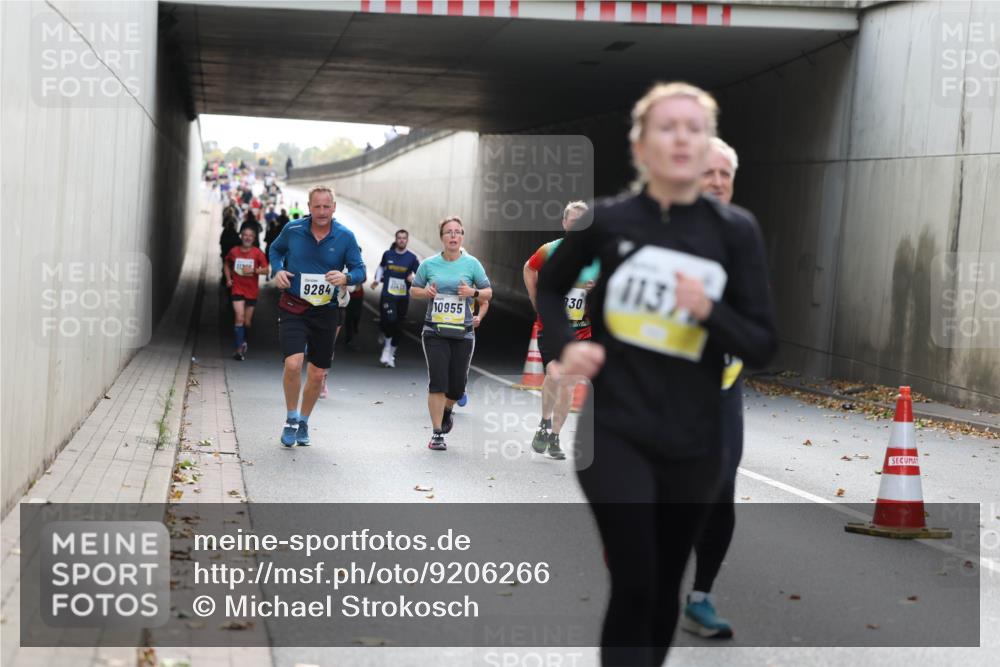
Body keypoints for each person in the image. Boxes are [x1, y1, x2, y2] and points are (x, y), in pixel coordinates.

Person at [535, 82, 777, 665]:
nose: (681, 138)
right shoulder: (609, 221)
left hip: (696, 439)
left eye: (694, 128)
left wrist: (709, 311)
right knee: (636, 576)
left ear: (706, 146)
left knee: (664, 582)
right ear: (641, 147)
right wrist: (567, 345)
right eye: (667, 127)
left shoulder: (734, 232)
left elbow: (764, 343)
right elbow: (550, 283)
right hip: (614, 428)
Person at [679, 136, 745, 639]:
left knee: (720, 494)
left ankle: (700, 596)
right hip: (662, 387)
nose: (718, 182)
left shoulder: (745, 239)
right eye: (709, 173)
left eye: (726, 175)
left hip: (722, 386)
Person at [268, 185, 365, 447]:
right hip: (293, 306)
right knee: (293, 364)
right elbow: (275, 251)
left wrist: (347, 277)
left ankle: (303, 421)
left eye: (326, 206)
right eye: (317, 206)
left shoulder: (345, 236)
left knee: (317, 373)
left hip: (325, 311)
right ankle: (290, 417)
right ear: (309, 207)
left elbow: (360, 269)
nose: (322, 211)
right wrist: (277, 270)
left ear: (334, 207)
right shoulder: (293, 230)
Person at [523, 201, 599, 460]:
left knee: (568, 383)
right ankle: (544, 422)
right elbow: (529, 268)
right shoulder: (549, 250)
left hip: (580, 329)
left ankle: (554, 437)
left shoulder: (596, 255)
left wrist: (594, 289)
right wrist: (536, 300)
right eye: (573, 220)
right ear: (565, 223)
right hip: (552, 327)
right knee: (554, 377)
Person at [409, 217, 492, 451]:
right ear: (442, 237)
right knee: (438, 381)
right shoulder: (429, 264)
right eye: (448, 232)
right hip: (434, 330)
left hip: (463, 333)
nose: (453, 236)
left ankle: (447, 409)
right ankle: (437, 433)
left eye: (457, 232)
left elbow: (487, 293)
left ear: (462, 236)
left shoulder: (472, 264)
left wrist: (472, 292)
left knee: (456, 387)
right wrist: (426, 292)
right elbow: (414, 290)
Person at [370, 230, 421, 368]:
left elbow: (421, 276)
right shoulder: (388, 254)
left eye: (404, 238)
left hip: (402, 297)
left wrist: (413, 279)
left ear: (407, 240)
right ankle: (386, 348)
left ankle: (391, 354)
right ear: (396, 239)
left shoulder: (411, 258)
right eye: (399, 238)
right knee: (389, 320)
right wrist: (376, 279)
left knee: (398, 326)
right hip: (388, 295)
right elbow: (381, 267)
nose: (401, 240)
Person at [224, 226, 269, 360]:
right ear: (241, 236)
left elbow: (267, 270)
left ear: (254, 239)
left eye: (250, 236)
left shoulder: (257, 253)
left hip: (251, 290)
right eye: (245, 235)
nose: (247, 237)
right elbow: (226, 263)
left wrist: (254, 270)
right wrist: (228, 279)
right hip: (237, 288)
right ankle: (239, 349)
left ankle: (243, 342)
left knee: (247, 322)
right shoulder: (234, 251)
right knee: (239, 317)